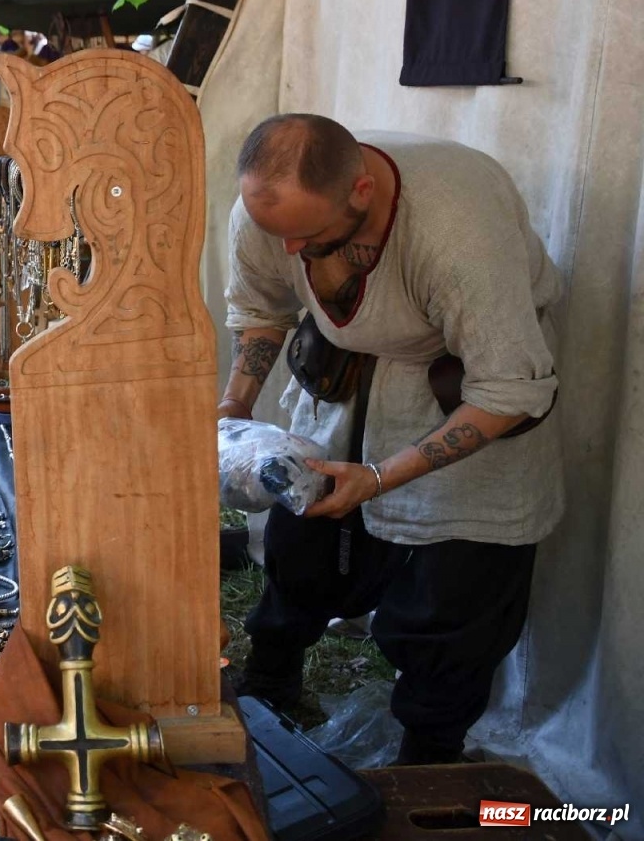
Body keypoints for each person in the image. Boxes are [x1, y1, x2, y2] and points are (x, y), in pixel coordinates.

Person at [219, 113, 564, 766]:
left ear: (362, 192)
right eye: (278, 233)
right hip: (348, 377)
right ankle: (269, 686)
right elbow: (262, 308)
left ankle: (427, 760)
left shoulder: (457, 231)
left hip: (467, 387)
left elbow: (507, 389)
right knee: (302, 543)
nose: (290, 250)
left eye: (309, 237)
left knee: (453, 592)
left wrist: (380, 477)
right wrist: (234, 407)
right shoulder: (269, 211)